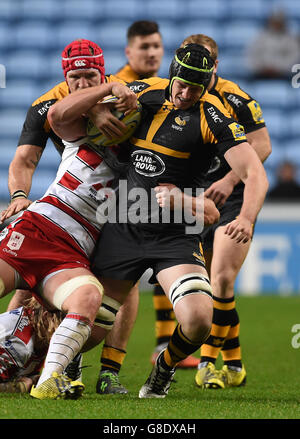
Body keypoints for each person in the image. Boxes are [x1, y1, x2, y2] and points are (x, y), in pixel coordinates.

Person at [53, 43, 269, 398]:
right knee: (88, 326)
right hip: (126, 220)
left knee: (200, 319)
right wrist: (95, 109)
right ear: (172, 73)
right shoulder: (145, 91)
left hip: (176, 232)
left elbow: (256, 174)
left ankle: (163, 369)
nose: (185, 94)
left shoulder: (213, 115)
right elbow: (61, 116)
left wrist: (245, 217)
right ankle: (65, 366)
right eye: (181, 84)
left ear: (208, 83)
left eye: (195, 88)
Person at [0, 22, 165, 395]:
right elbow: (27, 156)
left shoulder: (134, 99)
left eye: (90, 75)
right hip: (53, 215)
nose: (82, 82)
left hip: (106, 222)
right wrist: (18, 197)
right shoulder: (52, 106)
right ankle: (29, 363)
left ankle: (104, 371)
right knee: (28, 296)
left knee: (119, 283)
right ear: (65, 78)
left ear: (103, 71)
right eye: (75, 77)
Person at [0, 296, 63, 394]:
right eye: (64, 323)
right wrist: (20, 387)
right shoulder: (20, 344)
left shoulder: (39, 328)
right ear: (46, 317)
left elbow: (28, 375)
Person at [246, 10, 299, 80]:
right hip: (260, 75)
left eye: (279, 21)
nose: (277, 23)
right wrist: (262, 68)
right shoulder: (260, 38)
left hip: (285, 76)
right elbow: (251, 55)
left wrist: (278, 68)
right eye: (275, 20)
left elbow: (295, 58)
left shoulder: (291, 39)